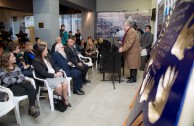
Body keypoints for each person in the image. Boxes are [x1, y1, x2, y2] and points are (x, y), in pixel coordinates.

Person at [0, 52, 40, 117]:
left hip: (20, 85)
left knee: (31, 87)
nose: (15, 57)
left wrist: (14, 79)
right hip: (10, 89)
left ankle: (32, 107)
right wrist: (17, 77)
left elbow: (22, 77)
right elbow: (8, 82)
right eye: (12, 57)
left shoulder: (16, 67)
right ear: (7, 60)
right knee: (33, 90)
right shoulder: (2, 70)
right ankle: (31, 109)